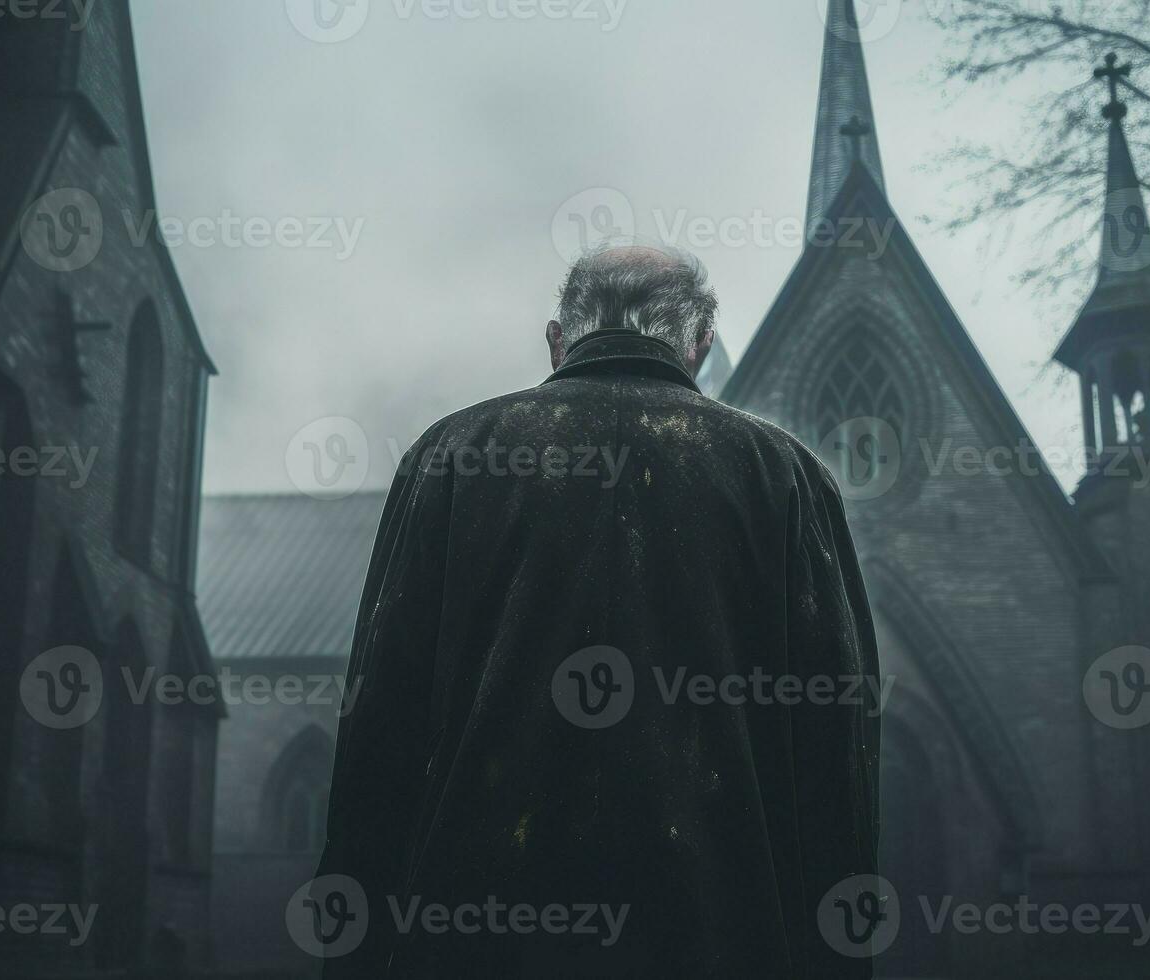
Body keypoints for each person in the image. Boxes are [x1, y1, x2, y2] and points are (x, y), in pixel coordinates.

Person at [316, 244, 880, 977]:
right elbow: (835, 762)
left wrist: (352, 962)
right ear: (701, 347)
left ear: (557, 338)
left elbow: (379, 734)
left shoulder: (451, 456)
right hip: (723, 941)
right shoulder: (789, 477)